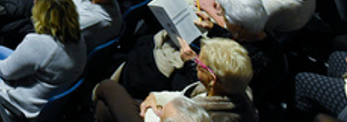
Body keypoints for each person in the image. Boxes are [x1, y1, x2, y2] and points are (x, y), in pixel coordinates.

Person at [0, 0, 86, 121]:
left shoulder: (38, 43)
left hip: (21, 105)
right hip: (48, 91)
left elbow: (7, 72)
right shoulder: (78, 38)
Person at [95, 37, 258, 122]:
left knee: (107, 87)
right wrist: (156, 97)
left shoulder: (206, 117)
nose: (195, 62)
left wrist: (155, 111)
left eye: (199, 62)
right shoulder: (238, 90)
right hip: (165, 111)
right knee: (104, 109)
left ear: (212, 78)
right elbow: (185, 95)